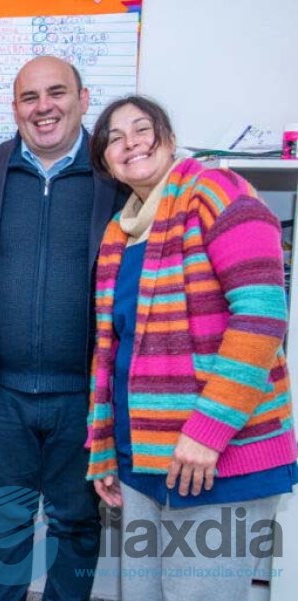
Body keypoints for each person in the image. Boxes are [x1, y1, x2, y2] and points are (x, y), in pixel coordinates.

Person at [86, 95, 298, 600]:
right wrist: (104, 449)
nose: (130, 143)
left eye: (143, 129)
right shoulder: (122, 232)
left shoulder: (215, 190)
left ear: (170, 139)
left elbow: (262, 314)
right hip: (144, 462)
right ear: (105, 162)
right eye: (114, 138)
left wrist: (207, 432)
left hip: (219, 460)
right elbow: (114, 352)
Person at [0, 56, 129, 601]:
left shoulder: (116, 174)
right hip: (1, 393)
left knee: (77, 524)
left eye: (56, 93)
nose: (43, 107)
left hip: (84, 393)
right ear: (15, 108)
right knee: (5, 526)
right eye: (30, 97)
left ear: (82, 98)